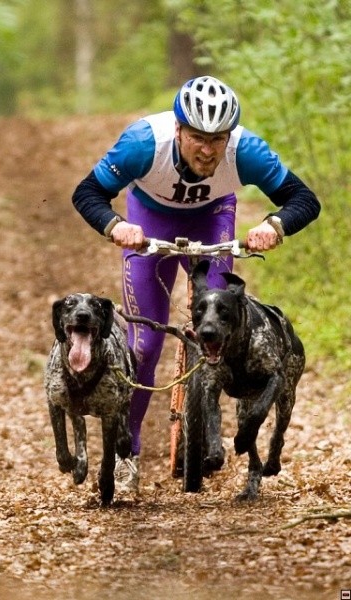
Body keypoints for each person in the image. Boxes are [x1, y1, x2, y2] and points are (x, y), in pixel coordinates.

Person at [72, 75, 320, 493]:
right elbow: (87, 192)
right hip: (149, 223)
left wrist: (275, 224)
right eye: (198, 138)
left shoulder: (248, 152)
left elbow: (304, 200)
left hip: (212, 220)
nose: (208, 149)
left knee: (223, 326)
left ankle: (215, 424)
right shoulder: (143, 143)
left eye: (218, 139)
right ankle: (125, 455)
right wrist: (115, 225)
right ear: (178, 129)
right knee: (144, 345)